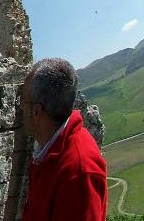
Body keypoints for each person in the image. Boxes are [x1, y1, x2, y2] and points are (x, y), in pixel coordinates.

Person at [20, 58, 107, 221]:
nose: (19, 108)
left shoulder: (79, 173)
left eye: (22, 101)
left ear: (37, 112)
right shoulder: (53, 147)